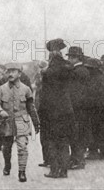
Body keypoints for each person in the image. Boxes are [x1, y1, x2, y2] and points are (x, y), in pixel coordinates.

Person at [0, 63, 40, 182]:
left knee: (22, 147)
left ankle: (22, 172)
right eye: (9, 71)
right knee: (6, 147)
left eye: (14, 71)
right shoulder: (1, 89)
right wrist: (0, 111)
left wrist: (36, 122)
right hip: (6, 121)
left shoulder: (26, 89)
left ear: (19, 73)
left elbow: (31, 107)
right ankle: (7, 165)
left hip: (21, 120)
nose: (10, 74)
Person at [39, 38, 74, 179]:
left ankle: (54, 170)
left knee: (51, 141)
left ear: (51, 54)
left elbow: (45, 93)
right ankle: (64, 170)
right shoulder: (68, 68)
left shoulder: (48, 71)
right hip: (66, 109)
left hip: (51, 111)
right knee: (64, 140)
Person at [66, 47, 91, 170]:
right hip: (84, 107)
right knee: (80, 134)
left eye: (70, 57)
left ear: (76, 58)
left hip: (77, 108)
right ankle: (76, 159)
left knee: (76, 135)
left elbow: (74, 92)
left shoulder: (76, 72)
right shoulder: (84, 70)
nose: (68, 59)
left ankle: (78, 160)